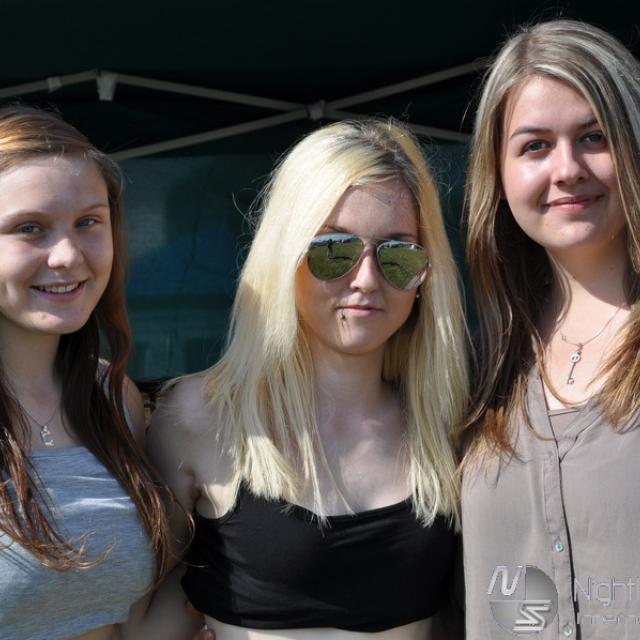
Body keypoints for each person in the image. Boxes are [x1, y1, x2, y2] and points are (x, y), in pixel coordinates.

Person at [145, 119, 469, 639]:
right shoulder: (197, 418)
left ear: (425, 274)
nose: (366, 279)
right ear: (284, 254)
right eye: (333, 249)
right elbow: (145, 622)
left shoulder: (453, 424)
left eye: (398, 254)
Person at [462, 19, 640, 640]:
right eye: (535, 146)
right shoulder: (478, 365)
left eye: (594, 137)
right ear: (499, 171)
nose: (567, 169)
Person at [0, 105, 175, 640]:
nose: (68, 255)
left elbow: (131, 621)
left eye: (88, 222)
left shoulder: (113, 399)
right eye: (30, 228)